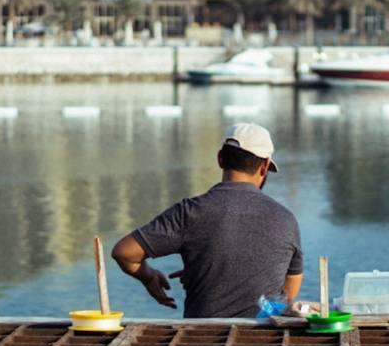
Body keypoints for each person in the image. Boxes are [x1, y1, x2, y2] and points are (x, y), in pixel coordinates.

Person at [111, 123, 303, 318]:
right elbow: (287, 296)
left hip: (201, 338)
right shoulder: (286, 219)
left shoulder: (189, 212)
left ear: (220, 159)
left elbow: (124, 253)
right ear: (264, 167)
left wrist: (148, 276)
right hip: (262, 340)